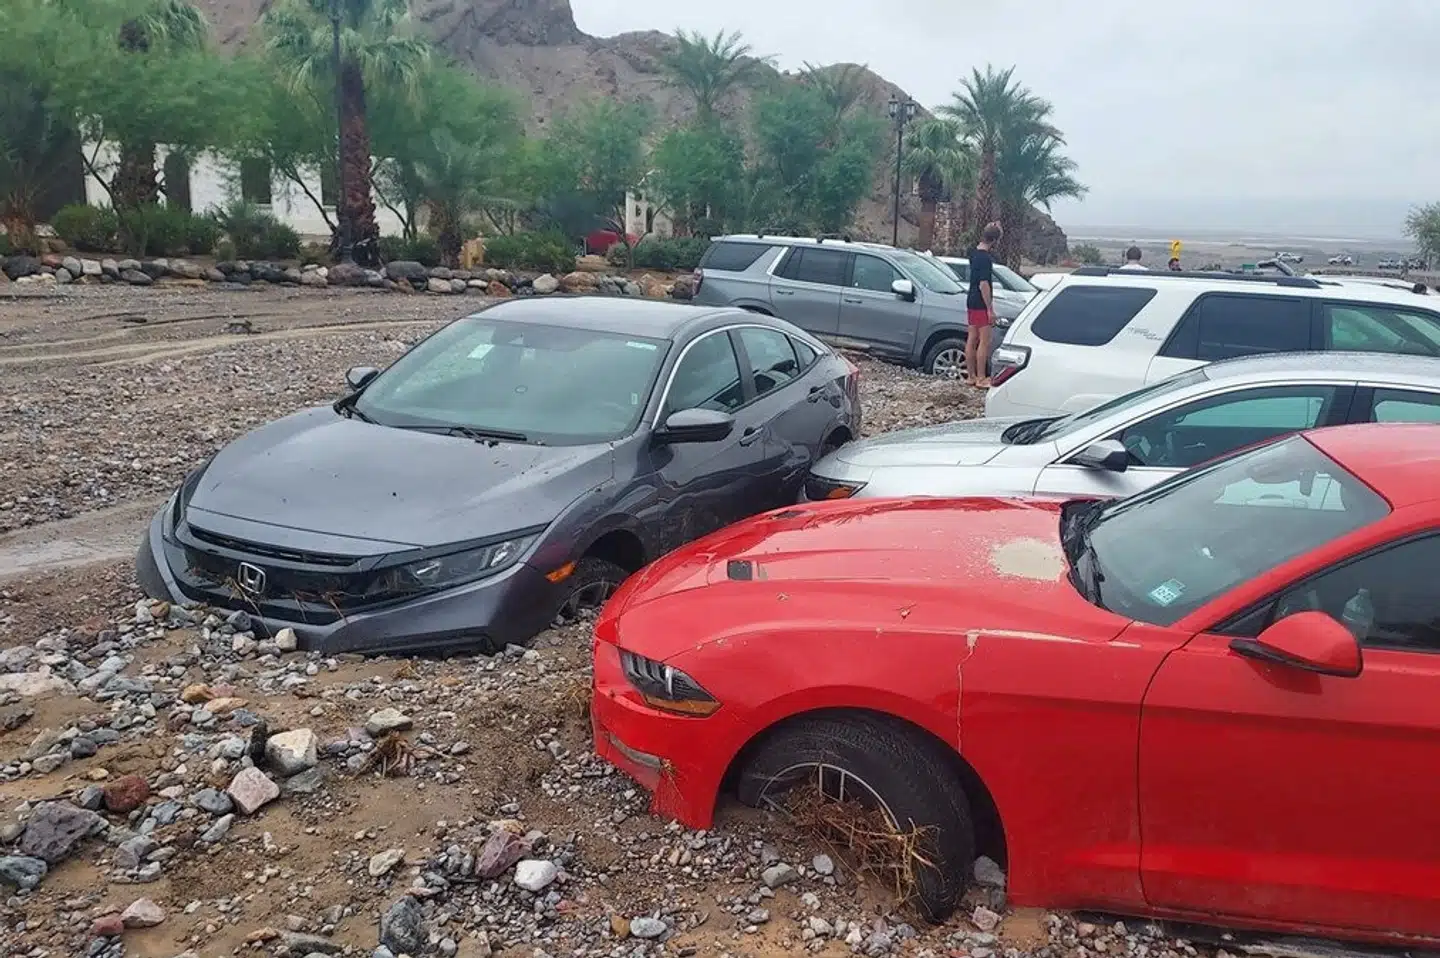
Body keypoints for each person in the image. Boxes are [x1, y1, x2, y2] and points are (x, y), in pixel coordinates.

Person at [965, 221, 1002, 387]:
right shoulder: (985, 259)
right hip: (980, 302)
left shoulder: (973, 254)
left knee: (972, 337)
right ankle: (981, 377)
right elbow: (984, 284)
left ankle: (971, 376)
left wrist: (992, 227)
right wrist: (990, 309)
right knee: (984, 340)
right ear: (995, 241)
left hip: (971, 299)